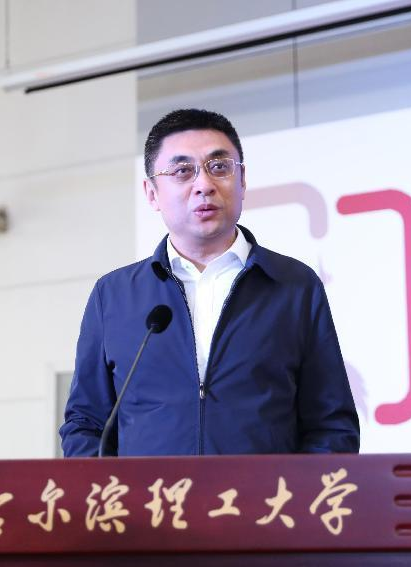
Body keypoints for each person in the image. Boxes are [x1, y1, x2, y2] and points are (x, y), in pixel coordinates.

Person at [60, 109, 359, 457]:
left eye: (219, 167)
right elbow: (86, 424)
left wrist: (296, 492)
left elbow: (331, 426)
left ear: (242, 180)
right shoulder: (114, 296)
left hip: (264, 494)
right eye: (182, 171)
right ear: (152, 193)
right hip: (151, 495)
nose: (204, 185)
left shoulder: (293, 285)